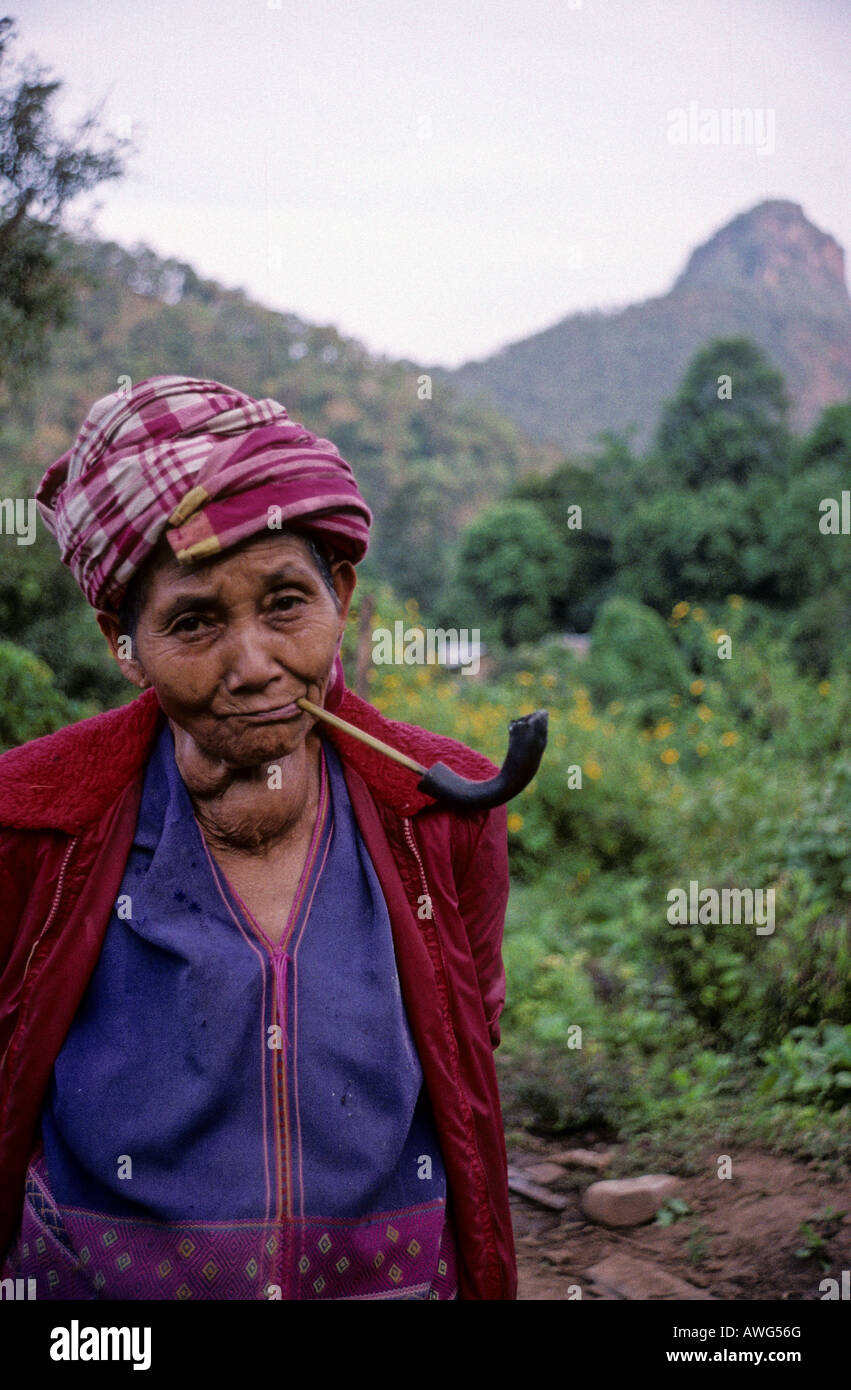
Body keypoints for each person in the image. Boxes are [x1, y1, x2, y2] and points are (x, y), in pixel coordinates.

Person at [0, 375, 516, 1300]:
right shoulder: (28, 823)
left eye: (285, 604)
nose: (253, 667)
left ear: (341, 594)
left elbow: (468, 1041)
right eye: (193, 622)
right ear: (124, 640)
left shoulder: (445, 810)